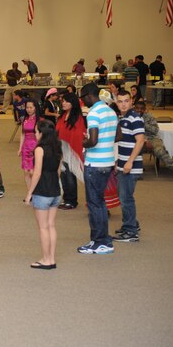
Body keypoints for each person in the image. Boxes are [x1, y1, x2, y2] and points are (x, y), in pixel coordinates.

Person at [77, 83, 118, 255]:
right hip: (108, 161)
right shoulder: (110, 111)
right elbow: (119, 135)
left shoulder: (93, 113)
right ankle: (104, 240)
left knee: (95, 204)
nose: (82, 101)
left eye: (82, 98)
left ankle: (99, 241)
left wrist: (84, 142)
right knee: (100, 203)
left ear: (88, 96)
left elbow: (92, 141)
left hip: (94, 164)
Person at [24, 119, 62, 270]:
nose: (35, 133)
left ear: (41, 133)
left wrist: (29, 193)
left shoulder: (39, 149)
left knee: (43, 228)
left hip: (42, 192)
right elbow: (58, 170)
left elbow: (37, 172)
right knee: (51, 226)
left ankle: (46, 259)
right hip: (55, 191)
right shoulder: (58, 146)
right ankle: (51, 258)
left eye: (36, 131)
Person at [113, 90, 144, 243]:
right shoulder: (123, 118)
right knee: (123, 197)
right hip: (123, 164)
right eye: (120, 101)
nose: (123, 104)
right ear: (117, 103)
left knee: (126, 199)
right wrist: (119, 161)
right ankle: (130, 225)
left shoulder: (134, 118)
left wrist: (130, 161)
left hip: (130, 166)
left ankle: (131, 231)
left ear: (131, 101)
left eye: (126, 101)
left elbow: (140, 141)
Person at [55, 92, 86, 210]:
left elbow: (78, 134)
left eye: (66, 101)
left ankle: (72, 200)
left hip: (72, 149)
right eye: (63, 101)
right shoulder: (63, 115)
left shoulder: (77, 117)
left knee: (70, 175)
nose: (63, 103)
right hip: (62, 148)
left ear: (73, 103)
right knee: (64, 174)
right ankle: (66, 198)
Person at [134, 101, 173, 169]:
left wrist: (144, 124)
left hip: (152, 138)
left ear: (144, 109)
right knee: (132, 149)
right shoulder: (131, 117)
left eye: (142, 108)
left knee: (159, 150)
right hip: (137, 139)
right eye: (137, 108)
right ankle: (136, 169)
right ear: (134, 108)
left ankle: (171, 165)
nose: (139, 110)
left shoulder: (149, 116)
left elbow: (156, 130)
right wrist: (145, 140)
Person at [19, 99, 40, 191]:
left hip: (35, 147)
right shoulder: (25, 119)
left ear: (35, 108)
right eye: (27, 107)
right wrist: (20, 148)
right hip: (25, 147)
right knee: (26, 172)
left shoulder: (39, 120)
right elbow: (22, 134)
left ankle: (35, 191)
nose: (29, 109)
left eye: (31, 107)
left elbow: (40, 137)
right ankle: (30, 193)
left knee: (33, 171)